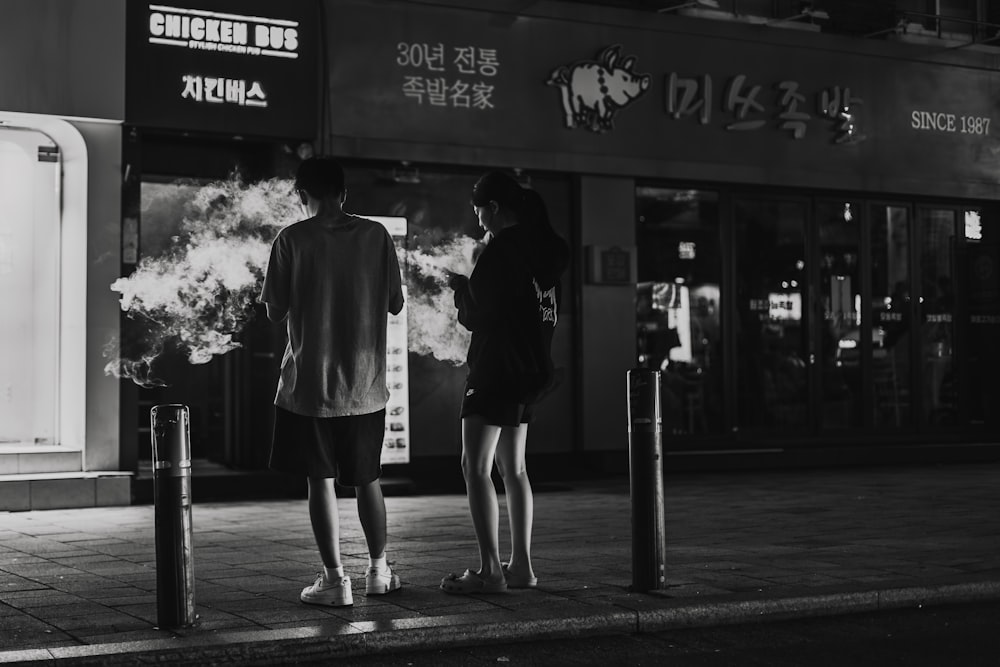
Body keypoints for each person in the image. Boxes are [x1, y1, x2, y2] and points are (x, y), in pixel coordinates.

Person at [260, 157, 404, 607]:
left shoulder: (291, 239)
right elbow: (396, 304)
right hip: (365, 387)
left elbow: (274, 310)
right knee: (368, 480)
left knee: (319, 480)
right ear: (344, 193)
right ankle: (379, 572)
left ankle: (334, 579)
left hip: (309, 388)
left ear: (301, 194)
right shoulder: (376, 236)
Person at [440, 172, 569, 594]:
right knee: (514, 469)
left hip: (496, 369)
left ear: (494, 207)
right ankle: (522, 568)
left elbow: (481, 316)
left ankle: (489, 571)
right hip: (531, 371)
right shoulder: (544, 254)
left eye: (479, 209)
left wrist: (461, 291)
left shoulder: (501, 252)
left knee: (474, 466)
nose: (477, 219)